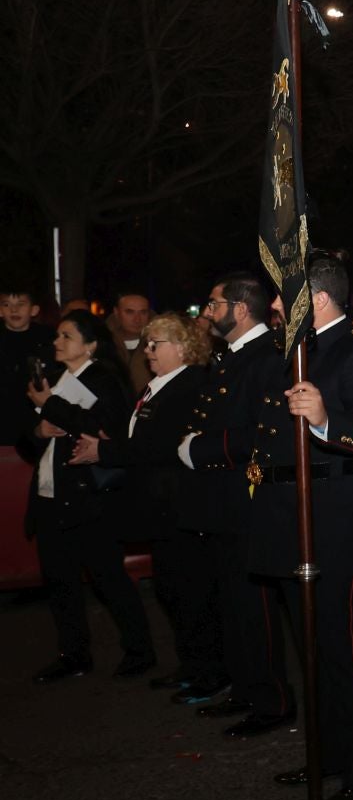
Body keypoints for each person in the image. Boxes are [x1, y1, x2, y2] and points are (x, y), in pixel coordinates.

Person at [256, 255, 353, 800]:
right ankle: (333, 756)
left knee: (343, 651)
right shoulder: (292, 352)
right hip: (296, 522)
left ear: (315, 299)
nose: (274, 306)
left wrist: (323, 419)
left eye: (282, 295)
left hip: (345, 527)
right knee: (313, 653)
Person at [73, 313, 215, 690]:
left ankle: (207, 670)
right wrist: (112, 440)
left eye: (157, 344)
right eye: (148, 343)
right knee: (171, 589)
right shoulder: (156, 386)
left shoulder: (191, 383)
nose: (148, 351)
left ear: (184, 347)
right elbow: (141, 437)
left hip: (180, 503)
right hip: (160, 505)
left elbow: (162, 445)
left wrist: (106, 450)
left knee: (188, 590)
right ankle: (191, 665)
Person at [175, 274, 292, 729]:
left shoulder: (267, 357)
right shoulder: (234, 357)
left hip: (249, 500)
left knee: (254, 609)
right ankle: (246, 690)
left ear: (240, 309)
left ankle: (272, 702)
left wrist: (199, 449)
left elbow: (264, 432)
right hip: (222, 501)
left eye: (213, 303)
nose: (207, 311)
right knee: (233, 605)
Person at [23, 310, 153, 681]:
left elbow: (106, 429)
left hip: (87, 497)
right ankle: (73, 654)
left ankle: (140, 650)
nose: (57, 342)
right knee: (60, 582)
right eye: (58, 335)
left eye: (66, 336)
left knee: (107, 577)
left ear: (90, 344)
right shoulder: (55, 378)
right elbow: (28, 438)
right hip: (50, 494)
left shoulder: (102, 379)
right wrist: (40, 429)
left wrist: (52, 406)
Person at [0, 284, 54, 451]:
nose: (13, 310)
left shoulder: (49, 338)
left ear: (34, 310)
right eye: (6, 304)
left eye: (21, 304)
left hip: (36, 421)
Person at [107, 292, 154, 392]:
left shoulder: (161, 344)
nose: (137, 319)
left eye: (143, 312)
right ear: (116, 312)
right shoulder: (102, 344)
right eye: (129, 312)